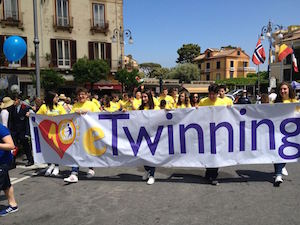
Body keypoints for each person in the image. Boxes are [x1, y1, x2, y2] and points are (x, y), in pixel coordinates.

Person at [64, 87, 100, 183]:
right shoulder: (75, 106)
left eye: (83, 94)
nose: (81, 96)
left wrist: (87, 113)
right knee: (75, 152)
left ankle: (91, 168)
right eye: (79, 94)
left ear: (87, 95)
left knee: (88, 151)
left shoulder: (92, 104)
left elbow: (99, 116)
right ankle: (74, 173)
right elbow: (69, 118)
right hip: (77, 134)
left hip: (89, 133)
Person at [199, 84, 227, 185]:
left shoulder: (222, 102)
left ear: (218, 93)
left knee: (216, 153)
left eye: (214, 94)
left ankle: (214, 175)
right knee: (207, 153)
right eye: (210, 94)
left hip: (218, 132)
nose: (212, 96)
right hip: (206, 132)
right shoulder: (203, 102)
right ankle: (208, 171)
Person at [273, 82, 298, 187]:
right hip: (277, 131)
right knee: (277, 152)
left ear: (289, 90)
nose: (283, 91)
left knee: (287, 152)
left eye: (285, 89)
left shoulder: (295, 102)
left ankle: (281, 167)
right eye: (281, 89)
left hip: (291, 133)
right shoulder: (276, 103)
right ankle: (278, 174)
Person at [37, 91, 66, 176]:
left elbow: (64, 116)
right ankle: (50, 165)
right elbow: (38, 116)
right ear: (51, 98)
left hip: (57, 132)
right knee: (48, 149)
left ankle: (56, 166)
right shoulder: (43, 107)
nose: (57, 99)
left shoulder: (59, 107)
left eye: (57, 97)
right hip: (47, 132)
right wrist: (30, 115)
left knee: (56, 148)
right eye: (56, 97)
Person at [139, 90, 159, 185]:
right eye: (142, 97)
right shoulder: (140, 108)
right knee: (142, 155)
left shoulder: (156, 108)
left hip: (153, 135)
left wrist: (167, 110)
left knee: (151, 155)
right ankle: (147, 170)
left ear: (149, 97)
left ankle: (152, 175)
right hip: (142, 135)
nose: (143, 99)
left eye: (145, 97)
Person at [9, 95, 33, 167]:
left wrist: (27, 133)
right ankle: (13, 162)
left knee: (26, 146)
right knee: (14, 147)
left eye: (15, 100)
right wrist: (10, 130)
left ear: (18, 100)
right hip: (14, 131)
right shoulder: (12, 109)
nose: (14, 102)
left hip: (23, 130)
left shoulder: (25, 108)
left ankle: (30, 160)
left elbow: (27, 122)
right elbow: (11, 120)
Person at [0, 122, 18, 216]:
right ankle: (13, 205)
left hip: (3, 162)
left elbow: (11, 145)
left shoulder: (1, 128)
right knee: (6, 184)